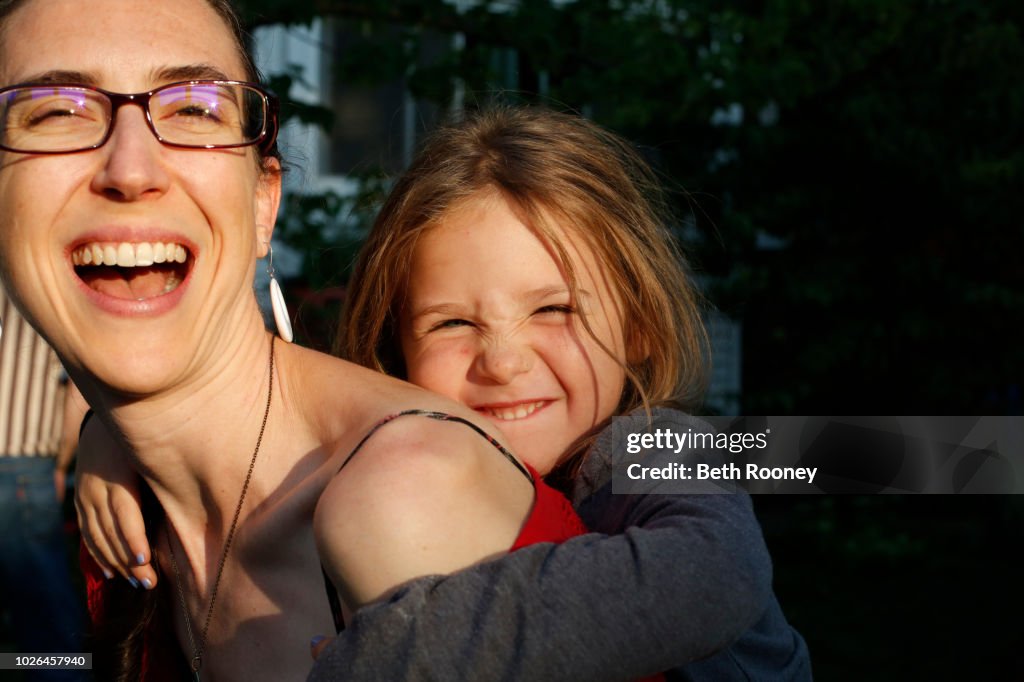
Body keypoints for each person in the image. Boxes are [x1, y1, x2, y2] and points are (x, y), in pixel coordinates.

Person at [78, 105, 811, 678]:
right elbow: (280, 402)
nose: (500, 360)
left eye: (554, 309)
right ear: (397, 350)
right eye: (452, 322)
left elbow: (717, 576)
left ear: (642, 328)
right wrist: (112, 435)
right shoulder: (408, 443)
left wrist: (405, 654)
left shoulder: (661, 443)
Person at [0, 1, 547, 680]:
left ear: (264, 205)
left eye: (193, 108)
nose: (131, 168)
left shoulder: (401, 506)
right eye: (56, 110)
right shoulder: (133, 517)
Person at [0, 283, 89, 682]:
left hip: (20, 467)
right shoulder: (37, 286)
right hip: (23, 465)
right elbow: (79, 387)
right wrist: (61, 462)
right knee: (45, 613)